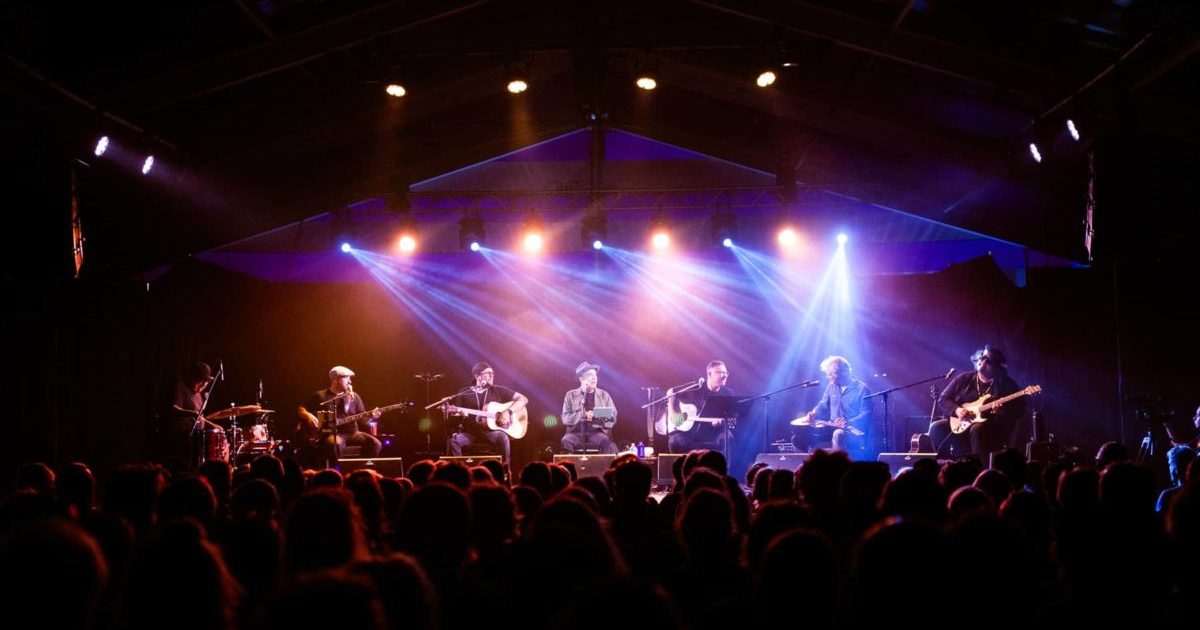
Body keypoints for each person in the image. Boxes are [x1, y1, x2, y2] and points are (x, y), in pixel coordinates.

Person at [931, 345, 1024, 457]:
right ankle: (944, 464)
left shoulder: (1006, 384)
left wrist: (1002, 411)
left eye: (987, 359)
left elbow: (1020, 409)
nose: (981, 360)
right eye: (981, 356)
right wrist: (957, 410)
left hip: (992, 426)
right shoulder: (964, 379)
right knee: (936, 427)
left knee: (977, 429)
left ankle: (978, 468)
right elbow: (943, 399)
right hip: (962, 423)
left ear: (995, 366)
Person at [298, 366, 381, 466]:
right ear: (335, 380)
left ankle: (362, 470)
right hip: (331, 434)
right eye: (346, 377)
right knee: (336, 444)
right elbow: (301, 409)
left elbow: (362, 418)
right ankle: (337, 473)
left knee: (376, 444)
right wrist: (308, 415)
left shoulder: (355, 397)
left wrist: (371, 416)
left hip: (352, 433)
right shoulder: (320, 396)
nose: (350, 381)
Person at [446, 362, 527, 462]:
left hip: (491, 432)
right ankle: (458, 471)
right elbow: (457, 415)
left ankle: (505, 471)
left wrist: (508, 412)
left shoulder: (498, 390)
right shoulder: (464, 392)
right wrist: (461, 416)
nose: (492, 376)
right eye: (488, 373)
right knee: (453, 441)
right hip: (470, 433)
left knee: (503, 437)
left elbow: (523, 399)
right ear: (477, 376)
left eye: (493, 373)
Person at [797, 355, 872, 453]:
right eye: (828, 374)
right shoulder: (831, 386)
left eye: (832, 374)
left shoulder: (862, 389)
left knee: (838, 434)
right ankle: (808, 465)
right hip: (831, 426)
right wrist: (813, 413)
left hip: (852, 430)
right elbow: (822, 405)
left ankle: (837, 466)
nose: (829, 377)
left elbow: (866, 413)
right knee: (798, 437)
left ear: (845, 372)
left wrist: (848, 422)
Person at [160, 361, 223, 466]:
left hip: (196, 438)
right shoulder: (181, 388)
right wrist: (192, 413)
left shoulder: (198, 395)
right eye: (200, 381)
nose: (203, 385)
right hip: (182, 437)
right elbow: (174, 408)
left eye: (206, 382)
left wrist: (213, 425)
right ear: (191, 378)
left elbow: (199, 417)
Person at [666, 360, 736, 454]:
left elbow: (731, 417)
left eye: (725, 372)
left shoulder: (728, 393)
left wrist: (722, 422)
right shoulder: (696, 388)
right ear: (709, 374)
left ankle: (723, 467)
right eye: (719, 372)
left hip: (712, 432)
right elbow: (671, 392)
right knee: (675, 441)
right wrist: (672, 414)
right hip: (690, 432)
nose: (724, 375)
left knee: (729, 438)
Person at [561, 362, 618, 454]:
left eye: (595, 375)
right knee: (566, 441)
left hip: (597, 433)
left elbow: (613, 417)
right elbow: (565, 418)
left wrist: (596, 415)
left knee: (605, 441)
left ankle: (603, 468)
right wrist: (583, 414)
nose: (594, 377)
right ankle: (569, 467)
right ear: (581, 379)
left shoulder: (604, 395)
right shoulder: (570, 395)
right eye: (590, 375)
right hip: (575, 433)